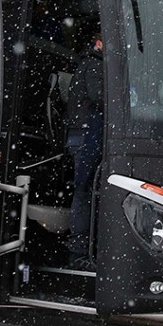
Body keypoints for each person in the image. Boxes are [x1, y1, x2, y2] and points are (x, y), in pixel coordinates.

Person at [65, 30, 104, 271]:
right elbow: (99, 97)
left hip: (84, 134)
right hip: (86, 136)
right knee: (85, 193)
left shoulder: (90, 64)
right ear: (98, 42)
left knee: (87, 192)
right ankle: (79, 253)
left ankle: (83, 250)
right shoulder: (94, 64)